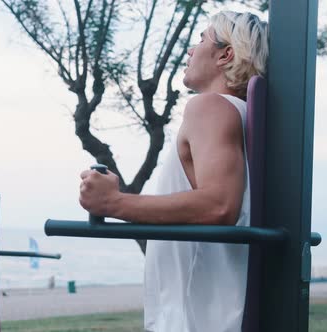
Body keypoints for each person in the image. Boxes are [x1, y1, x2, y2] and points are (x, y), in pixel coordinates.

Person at [78, 11, 268, 332]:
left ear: (226, 54)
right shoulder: (243, 115)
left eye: (201, 39)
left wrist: (112, 203)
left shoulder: (211, 106)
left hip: (197, 317)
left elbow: (220, 205)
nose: (191, 50)